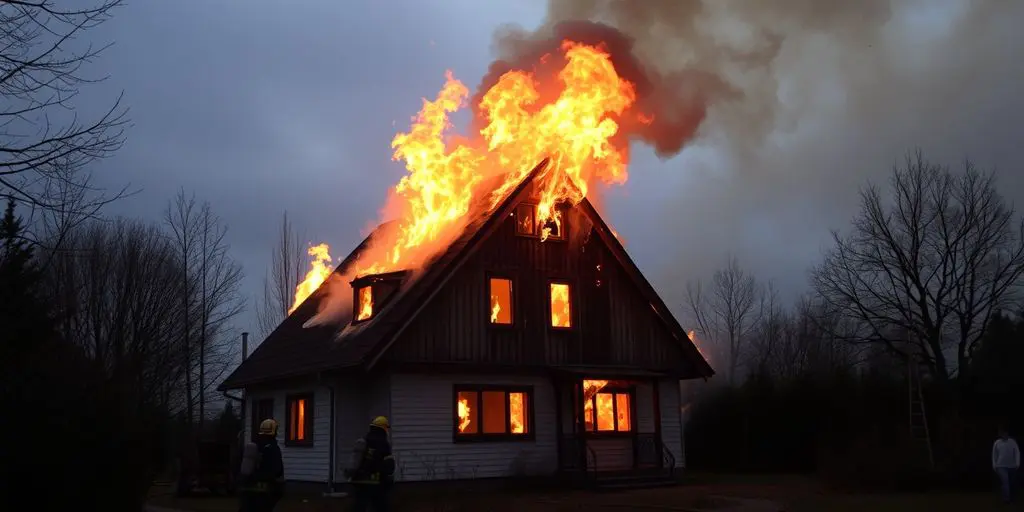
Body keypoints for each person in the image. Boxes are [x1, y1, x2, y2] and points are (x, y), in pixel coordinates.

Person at [346, 416, 395, 512]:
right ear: (383, 428)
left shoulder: (363, 441)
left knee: (359, 506)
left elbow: (354, 461)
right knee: (381, 507)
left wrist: (350, 474)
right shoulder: (384, 444)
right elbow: (389, 465)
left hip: (359, 481)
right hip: (376, 482)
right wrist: (389, 478)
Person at [239, 419, 285, 512]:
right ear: (274, 431)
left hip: (248, 487)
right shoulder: (272, 447)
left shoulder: (254, 445)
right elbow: (277, 469)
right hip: (267, 488)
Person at [993, 426, 1020, 504]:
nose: (1002, 434)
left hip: (1012, 465)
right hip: (1000, 466)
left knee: (1011, 482)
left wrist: (1017, 463)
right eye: (1001, 433)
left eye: (1004, 433)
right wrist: (994, 465)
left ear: (1007, 433)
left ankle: (1011, 496)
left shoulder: (1012, 442)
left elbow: (1017, 452)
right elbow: (994, 454)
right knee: (1005, 481)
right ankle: (1006, 499)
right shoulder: (997, 443)